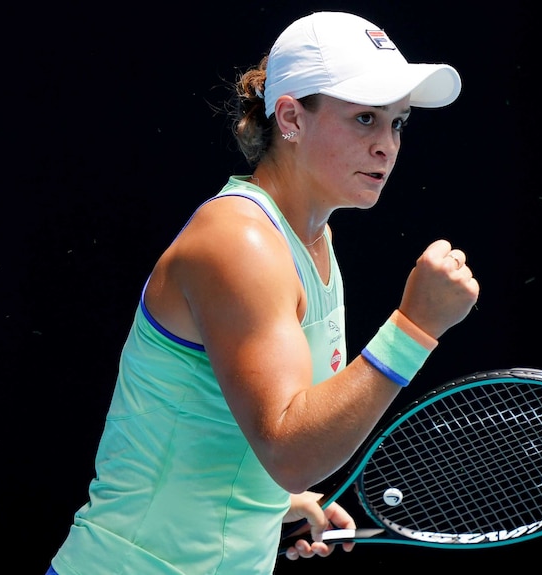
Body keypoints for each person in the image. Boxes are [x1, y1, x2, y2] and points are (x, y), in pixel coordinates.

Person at [46, 10, 479, 575]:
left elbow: (258, 433)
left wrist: (271, 508)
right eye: (365, 118)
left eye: (397, 123)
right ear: (291, 118)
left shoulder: (314, 237)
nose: (386, 147)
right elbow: (290, 451)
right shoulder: (240, 242)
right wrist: (414, 328)